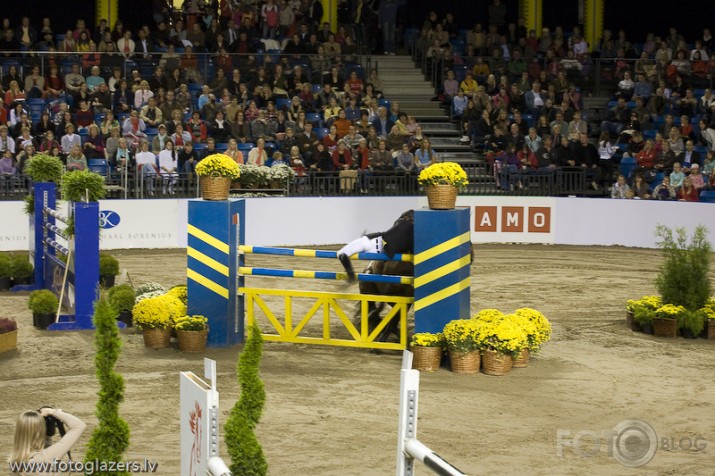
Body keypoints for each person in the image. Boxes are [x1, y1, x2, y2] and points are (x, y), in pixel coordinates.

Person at [337, 209, 414, 281]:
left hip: (370, 243)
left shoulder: (400, 223)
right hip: (379, 250)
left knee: (341, 253)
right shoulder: (407, 229)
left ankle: (351, 275)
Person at [9, 408, 86, 471]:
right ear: (42, 431)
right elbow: (79, 425)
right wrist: (52, 412)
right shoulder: (47, 456)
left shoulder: (14, 461)